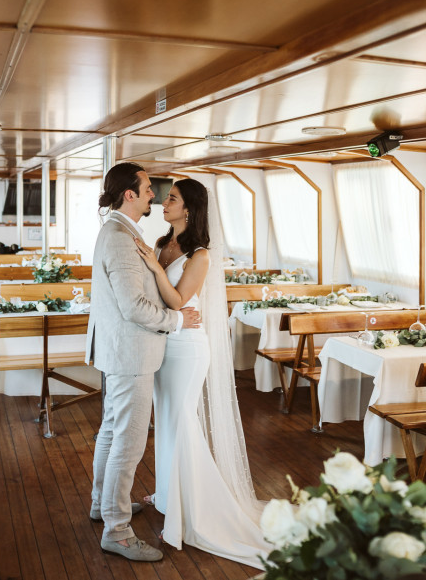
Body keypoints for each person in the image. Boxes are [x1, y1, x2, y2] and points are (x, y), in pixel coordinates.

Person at [134, 177, 269, 568]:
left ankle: (185, 515)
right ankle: (167, 494)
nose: (164, 203)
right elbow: (157, 299)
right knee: (167, 422)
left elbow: (178, 300)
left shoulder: (201, 255)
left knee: (182, 423)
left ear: (190, 209)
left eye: (172, 199)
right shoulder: (162, 244)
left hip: (188, 348)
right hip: (163, 342)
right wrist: (152, 264)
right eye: (165, 198)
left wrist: (154, 268)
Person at [87, 162, 201, 562]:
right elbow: (134, 307)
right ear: (130, 194)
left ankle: (101, 504)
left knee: (111, 432)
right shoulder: (120, 237)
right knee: (128, 443)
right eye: (149, 188)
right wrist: (178, 320)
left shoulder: (123, 230)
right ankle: (117, 531)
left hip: (121, 350)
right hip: (131, 352)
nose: (155, 194)